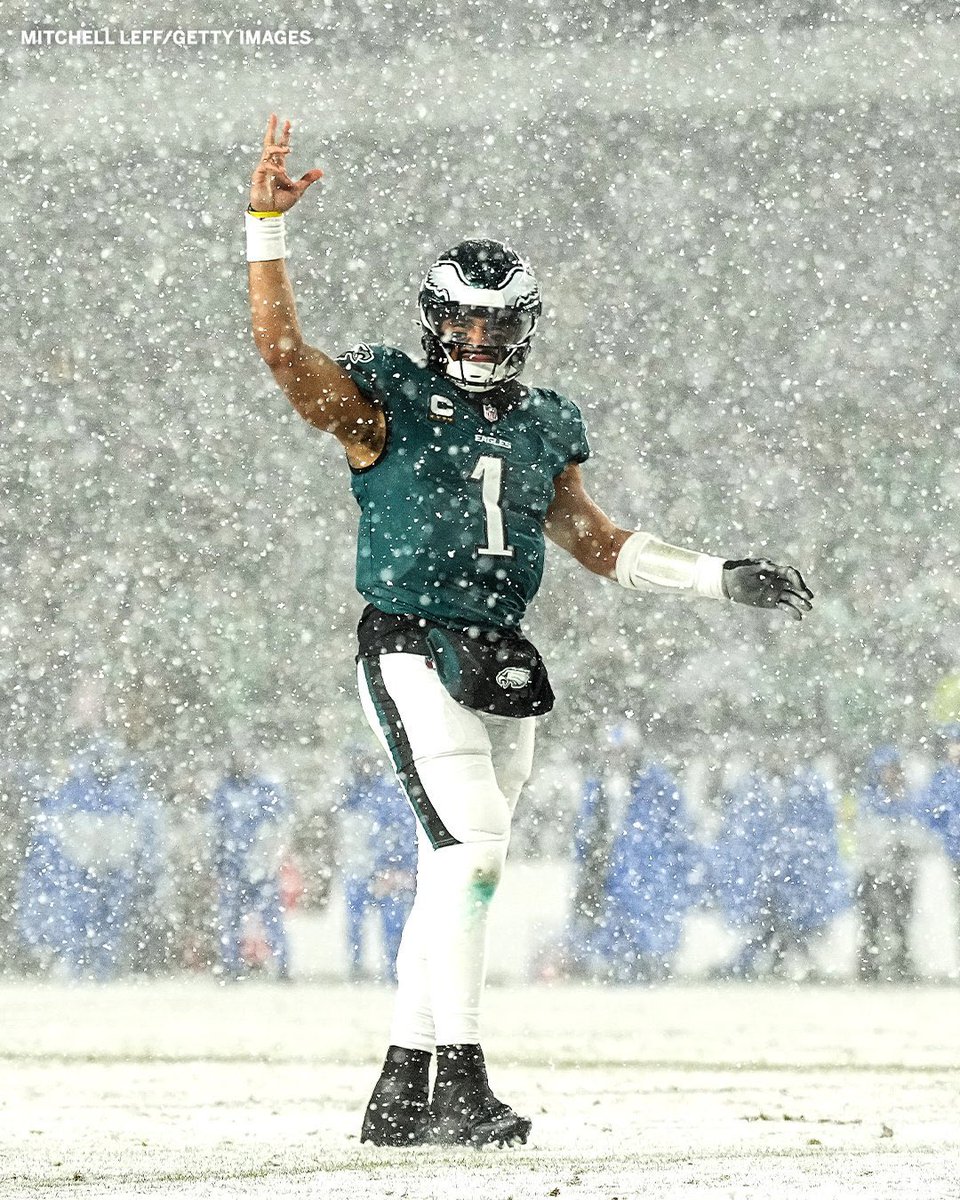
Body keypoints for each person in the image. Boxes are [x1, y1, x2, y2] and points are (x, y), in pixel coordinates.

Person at [246, 113, 814, 1148]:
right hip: (411, 639)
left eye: (494, 328)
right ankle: (459, 1082)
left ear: (522, 329)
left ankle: (400, 1084)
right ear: (432, 323)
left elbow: (594, 541)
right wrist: (265, 233)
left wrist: (718, 579)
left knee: (453, 868)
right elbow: (285, 356)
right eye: (461, 325)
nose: (476, 344)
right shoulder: (391, 399)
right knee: (472, 857)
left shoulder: (543, 417)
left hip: (502, 652)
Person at [855, 747, 927, 981]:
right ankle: (869, 965)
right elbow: (865, 833)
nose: (890, 774)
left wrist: (904, 842)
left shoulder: (908, 797)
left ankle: (902, 963)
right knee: (871, 920)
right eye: (885, 770)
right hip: (874, 868)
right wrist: (888, 842)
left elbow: (919, 831)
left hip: (902, 871)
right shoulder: (870, 798)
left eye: (893, 769)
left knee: (901, 919)